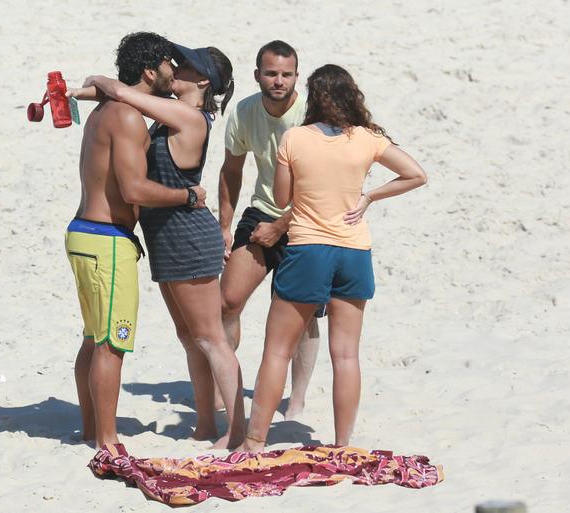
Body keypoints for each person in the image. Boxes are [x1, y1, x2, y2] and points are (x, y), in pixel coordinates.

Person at [238, 64, 428, 452]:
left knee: (276, 349)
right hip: (355, 251)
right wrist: (369, 196)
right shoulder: (368, 138)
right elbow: (416, 174)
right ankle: (342, 443)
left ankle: (254, 441)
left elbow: (281, 199)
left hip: (309, 248)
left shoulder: (295, 138)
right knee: (345, 355)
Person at [72, 43, 245, 449]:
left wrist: (98, 80)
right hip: (165, 237)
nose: (176, 68)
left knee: (211, 337)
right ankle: (205, 425)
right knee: (190, 337)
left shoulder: (191, 117)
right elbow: (132, 96)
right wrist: (79, 94)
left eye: (185, 65)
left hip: (187, 234)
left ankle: (238, 431)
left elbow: (128, 94)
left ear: (203, 81)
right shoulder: (169, 108)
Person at [218, 40, 320, 420]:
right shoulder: (244, 111)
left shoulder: (311, 116)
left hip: (308, 220)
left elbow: (323, 187)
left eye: (287, 74)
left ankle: (296, 400)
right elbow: (231, 171)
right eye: (272, 73)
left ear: (297, 76)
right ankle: (227, 391)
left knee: (303, 315)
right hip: (261, 211)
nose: (279, 81)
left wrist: (281, 226)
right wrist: (224, 227)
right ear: (258, 74)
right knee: (226, 302)